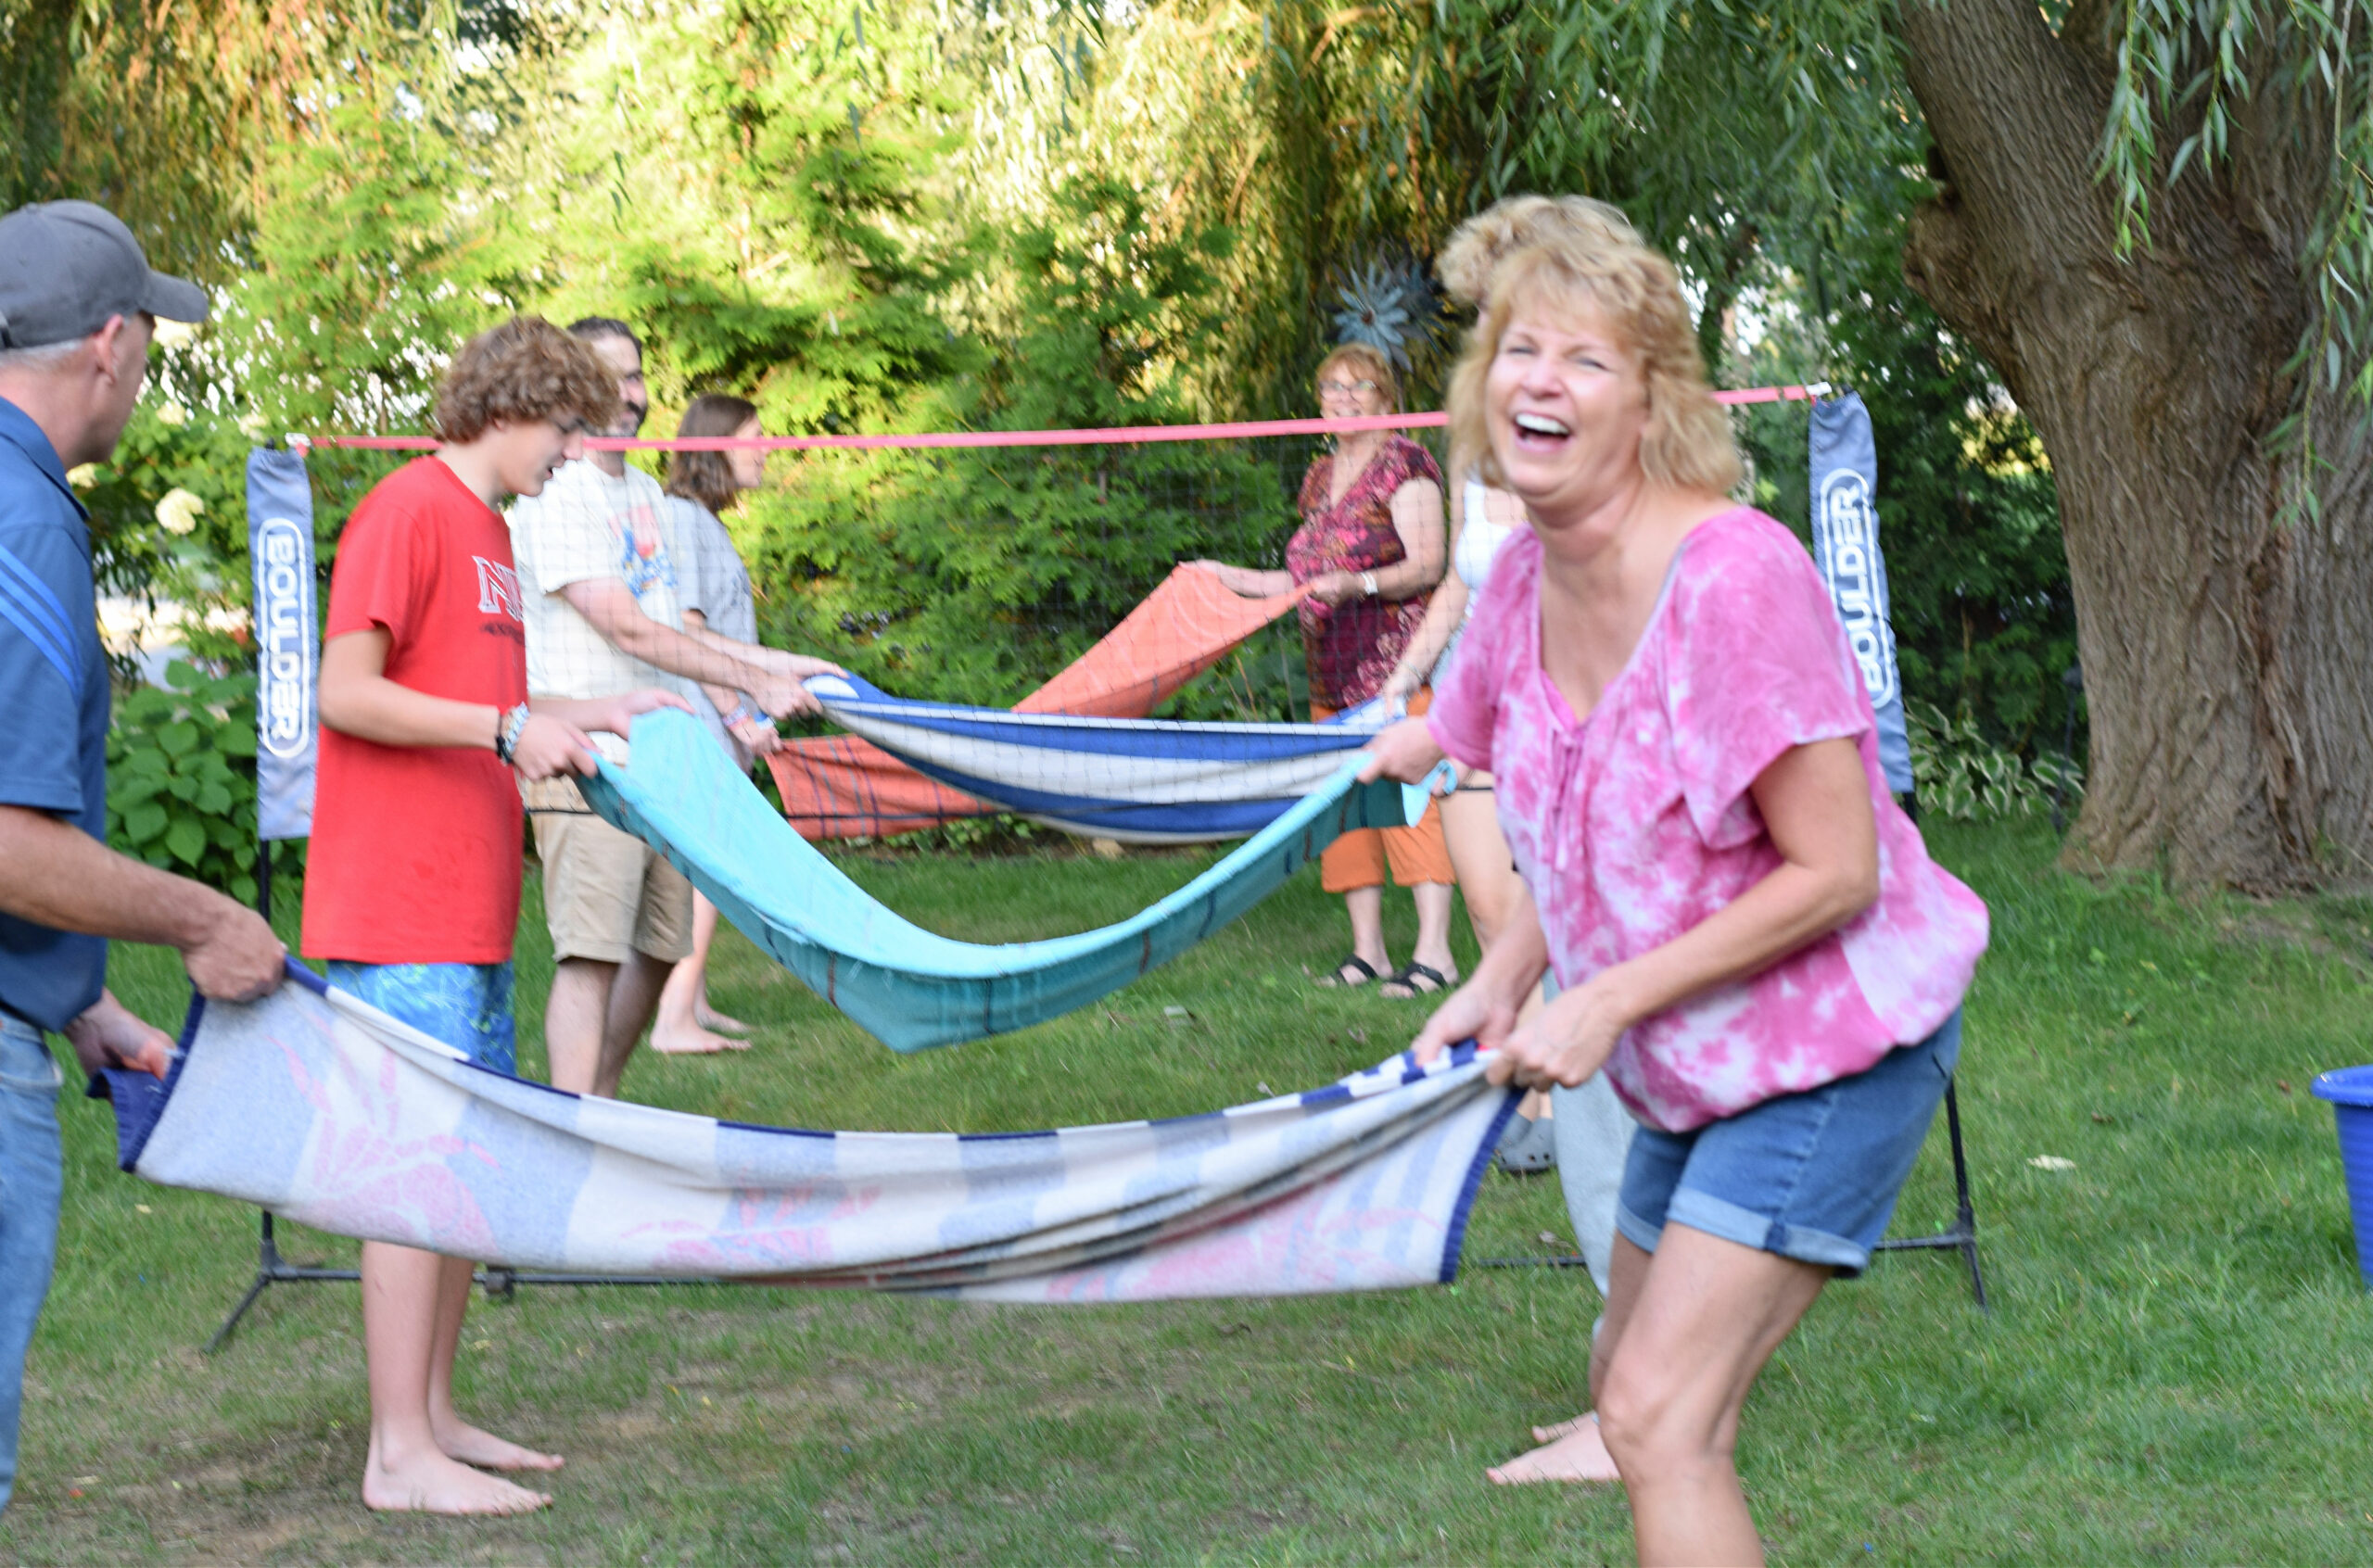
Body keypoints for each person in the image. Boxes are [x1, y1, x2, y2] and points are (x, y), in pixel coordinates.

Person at [1361, 222, 1987, 1562]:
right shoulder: (1523, 581)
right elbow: (1593, 832)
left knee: (1656, 1416)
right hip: (1700, 1057)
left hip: (1834, 1041)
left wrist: (1606, 1003)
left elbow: (1838, 870)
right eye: (1519, 349)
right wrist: (1503, 974)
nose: (1542, 380)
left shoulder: (1735, 578)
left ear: (1654, 406)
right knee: (1625, 1386)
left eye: (1588, 359)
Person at [305, 316, 695, 1513]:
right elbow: (349, 691)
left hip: (467, 905)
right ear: (513, 403)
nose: (576, 448)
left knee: (462, 1163)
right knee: (410, 1169)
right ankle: (394, 1456)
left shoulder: (488, 532)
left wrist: (599, 702)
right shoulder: (408, 510)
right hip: (398, 903)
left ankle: (431, 1416)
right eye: (568, 424)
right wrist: (505, 729)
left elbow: (495, 701)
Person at [0, 200, 286, 1516]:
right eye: (153, 339)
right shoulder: (24, 516)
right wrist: (198, 921)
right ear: (110, 345)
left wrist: (80, 998)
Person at [508, 317, 837, 1095]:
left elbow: (676, 624)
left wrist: (777, 664)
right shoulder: (560, 492)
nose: (633, 394)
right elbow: (624, 625)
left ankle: (602, 1108)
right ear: (569, 386)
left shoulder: (645, 491)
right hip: (587, 756)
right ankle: (576, 1129)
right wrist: (751, 685)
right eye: (612, 377)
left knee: (660, 947)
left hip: (662, 758)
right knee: (591, 956)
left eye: (637, 375)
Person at [1191, 343, 1454, 999]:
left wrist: (1358, 586)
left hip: (1395, 670)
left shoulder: (1408, 464)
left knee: (1409, 806)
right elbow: (1301, 579)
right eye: (1330, 388)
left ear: (1385, 397)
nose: (1341, 399)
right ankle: (1368, 953)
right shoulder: (1319, 474)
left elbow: (1428, 565)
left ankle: (1435, 955)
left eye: (1357, 387)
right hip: (1328, 674)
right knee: (1342, 813)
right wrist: (1225, 577)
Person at [650, 393, 780, 1053]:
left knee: (707, 868)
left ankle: (691, 1002)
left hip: (717, 721)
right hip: (702, 721)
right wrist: (736, 712)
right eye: (755, 435)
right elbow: (687, 631)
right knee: (711, 868)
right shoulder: (683, 519)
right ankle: (672, 1020)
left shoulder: (702, 520)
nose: (767, 447)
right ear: (716, 444)